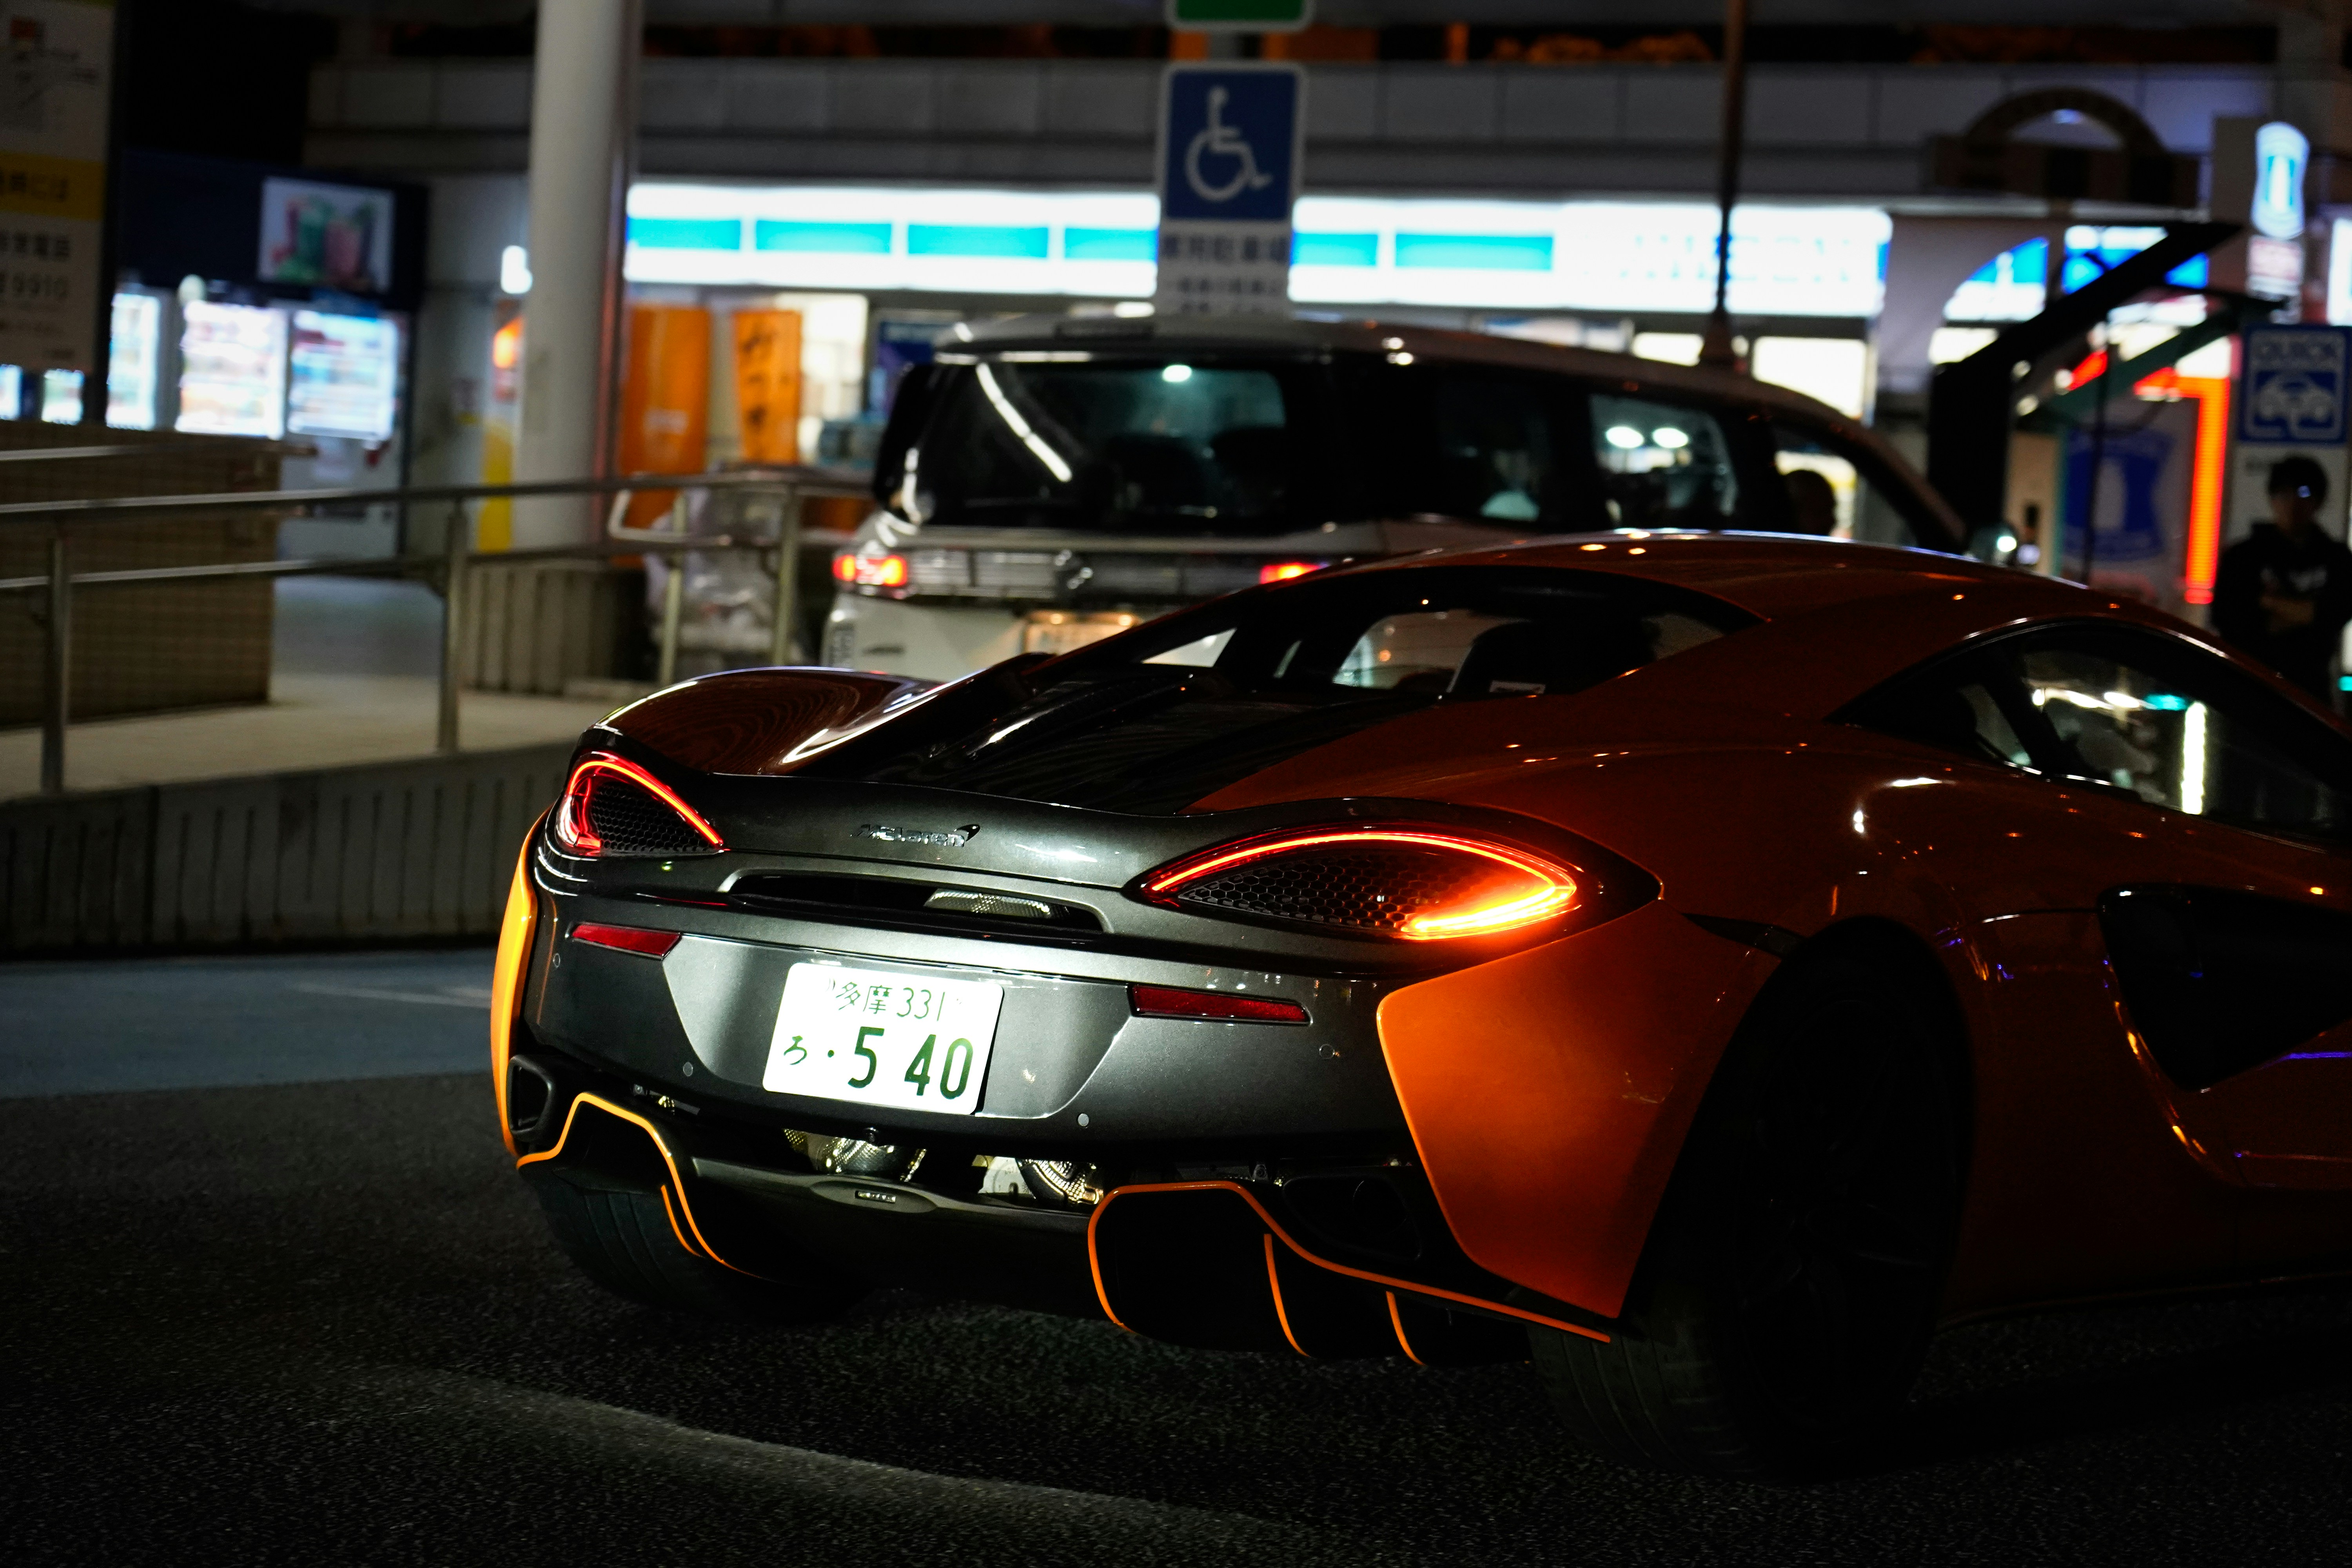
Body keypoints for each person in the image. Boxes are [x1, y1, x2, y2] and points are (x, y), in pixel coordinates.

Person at [2212, 455, 2352, 699]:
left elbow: (2333, 614)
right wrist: (2304, 613)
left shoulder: (2336, 558)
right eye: (2283, 493)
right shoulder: (2243, 556)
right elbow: (2228, 620)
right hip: (2247, 688)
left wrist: (2267, 603)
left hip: (2310, 695)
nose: (2293, 503)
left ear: (2319, 501)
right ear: (2271, 499)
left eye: (2303, 493)